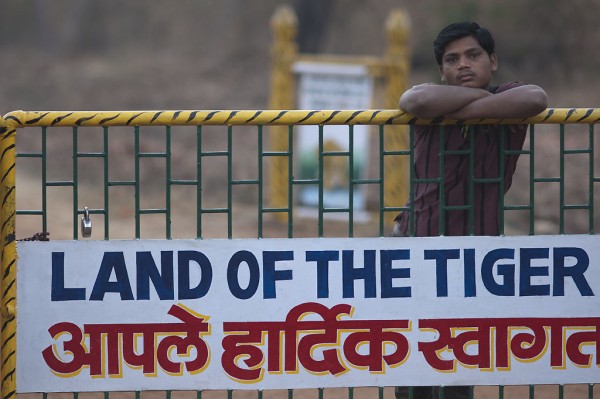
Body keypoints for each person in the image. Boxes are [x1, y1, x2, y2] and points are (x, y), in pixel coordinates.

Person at [391, 22, 547, 399]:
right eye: (452, 59)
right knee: (413, 370)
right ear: (441, 71)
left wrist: (465, 109)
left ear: (492, 61)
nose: (464, 65)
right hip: (416, 244)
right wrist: (478, 109)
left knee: (459, 367)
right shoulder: (431, 103)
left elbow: (536, 99)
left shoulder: (510, 97)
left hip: (476, 256)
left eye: (473, 55)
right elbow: (416, 101)